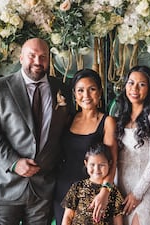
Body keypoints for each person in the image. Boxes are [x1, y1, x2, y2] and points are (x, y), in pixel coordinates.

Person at [0, 38, 72, 225]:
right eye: (32, 56)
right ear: (21, 58)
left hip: (42, 189)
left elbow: (65, 132)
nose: (38, 61)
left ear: (49, 60)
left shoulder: (61, 89)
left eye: (43, 57)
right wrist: (14, 162)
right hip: (4, 186)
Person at [53, 68, 118, 225]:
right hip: (63, 191)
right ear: (75, 94)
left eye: (92, 89)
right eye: (80, 90)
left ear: (100, 92)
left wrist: (105, 192)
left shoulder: (107, 122)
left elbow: (113, 161)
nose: (86, 95)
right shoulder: (68, 119)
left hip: (92, 194)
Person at [115, 65, 150, 225]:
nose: (134, 88)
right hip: (120, 188)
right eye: (131, 83)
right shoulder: (120, 113)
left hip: (143, 190)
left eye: (141, 84)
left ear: (149, 88)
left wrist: (137, 193)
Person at [61, 143, 124, 225]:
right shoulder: (77, 187)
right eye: (92, 164)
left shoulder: (114, 192)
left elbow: (118, 222)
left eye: (101, 165)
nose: (96, 169)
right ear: (86, 163)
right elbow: (68, 217)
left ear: (110, 163)